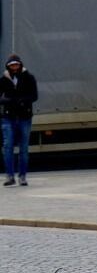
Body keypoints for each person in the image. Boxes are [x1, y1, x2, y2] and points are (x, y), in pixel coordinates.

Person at [0, 54, 37, 187]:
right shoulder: (4, 80)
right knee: (8, 146)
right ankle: (9, 175)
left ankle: (22, 176)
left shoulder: (29, 78)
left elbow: (34, 96)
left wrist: (22, 101)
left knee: (24, 149)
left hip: (24, 117)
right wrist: (5, 101)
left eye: (16, 64)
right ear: (8, 66)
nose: (14, 67)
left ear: (20, 65)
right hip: (8, 117)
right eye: (12, 65)